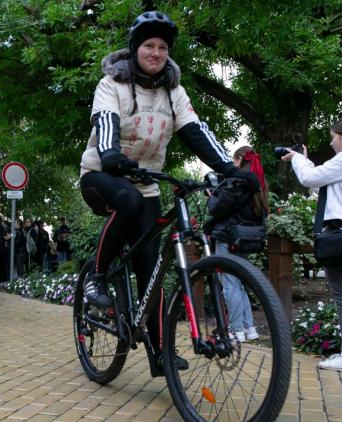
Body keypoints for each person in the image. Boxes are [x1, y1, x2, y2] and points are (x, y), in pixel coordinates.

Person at [79, 11, 239, 374]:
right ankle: (98, 276)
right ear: (135, 49)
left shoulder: (173, 91)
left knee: (150, 268)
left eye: (162, 47)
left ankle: (160, 353)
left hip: (145, 180)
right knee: (128, 200)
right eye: (148, 45)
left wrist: (230, 170)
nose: (156, 52)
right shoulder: (112, 85)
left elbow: (196, 131)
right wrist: (112, 156)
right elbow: (106, 123)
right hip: (101, 174)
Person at [282, 116, 342, 372]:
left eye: (333, 137)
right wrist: (306, 162)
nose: (332, 143)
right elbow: (325, 184)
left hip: (337, 232)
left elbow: (309, 179)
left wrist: (298, 160)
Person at [205, 146, 267, 342]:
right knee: (238, 284)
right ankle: (249, 328)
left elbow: (217, 209)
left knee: (230, 285)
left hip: (228, 238)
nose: (232, 165)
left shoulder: (238, 183)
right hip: (246, 239)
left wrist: (211, 195)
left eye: (234, 161)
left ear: (240, 159)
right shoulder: (258, 185)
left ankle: (236, 330)